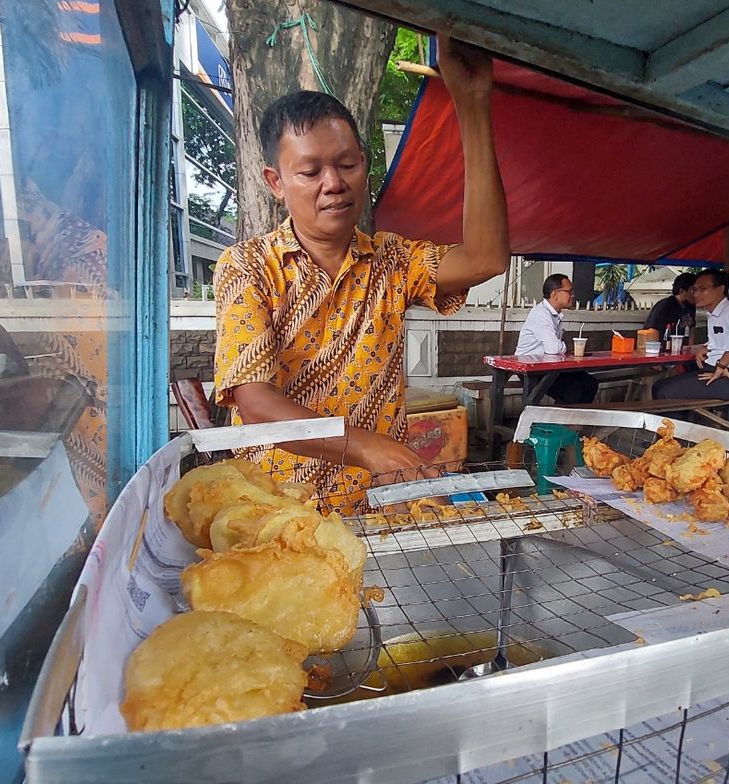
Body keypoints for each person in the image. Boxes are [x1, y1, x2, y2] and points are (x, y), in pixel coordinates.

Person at [212, 36, 510, 513]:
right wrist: (366, 446)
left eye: (347, 164)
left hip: (376, 505)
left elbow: (485, 259)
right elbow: (256, 403)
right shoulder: (248, 267)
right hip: (278, 511)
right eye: (310, 172)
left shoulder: (392, 261)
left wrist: (472, 102)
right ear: (275, 182)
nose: (334, 183)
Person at [652, 268, 729, 400]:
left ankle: (679, 421)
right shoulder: (714, 314)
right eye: (695, 289)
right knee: (659, 386)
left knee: (665, 392)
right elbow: (721, 339)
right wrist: (706, 347)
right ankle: (684, 420)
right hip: (715, 370)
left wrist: (721, 365)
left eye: (703, 289)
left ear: (720, 289)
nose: (696, 294)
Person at [515, 274, 600, 404]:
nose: (573, 295)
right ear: (555, 294)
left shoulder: (555, 315)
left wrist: (561, 347)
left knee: (590, 383)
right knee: (573, 390)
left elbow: (556, 348)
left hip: (549, 367)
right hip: (531, 369)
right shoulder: (541, 314)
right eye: (569, 291)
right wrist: (563, 346)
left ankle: (573, 421)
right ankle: (561, 421)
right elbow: (554, 349)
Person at [643, 271, 697, 335]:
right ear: (682, 291)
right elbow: (651, 330)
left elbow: (691, 329)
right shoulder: (665, 306)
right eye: (693, 290)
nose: (696, 294)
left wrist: (690, 345)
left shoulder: (690, 306)